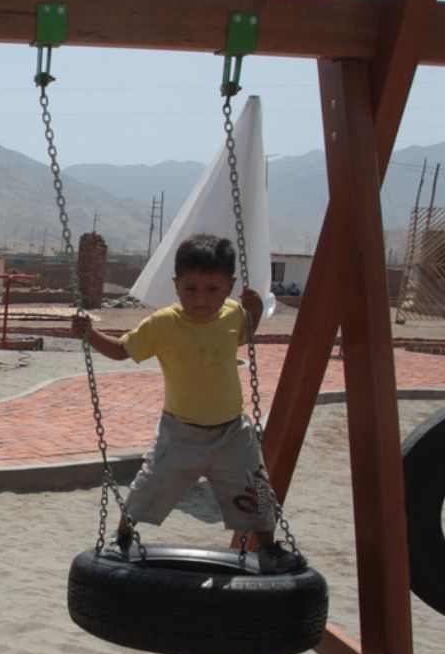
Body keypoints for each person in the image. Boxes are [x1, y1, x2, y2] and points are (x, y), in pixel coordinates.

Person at [69, 233, 297, 573]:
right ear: (176, 285)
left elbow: (244, 335)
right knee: (150, 484)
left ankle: (268, 549)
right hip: (180, 431)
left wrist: (256, 313)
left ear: (230, 286)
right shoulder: (163, 324)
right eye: (191, 289)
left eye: (213, 290)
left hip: (233, 431)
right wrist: (90, 334)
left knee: (257, 489)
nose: (201, 299)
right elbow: (122, 351)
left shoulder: (234, 314)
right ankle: (123, 538)